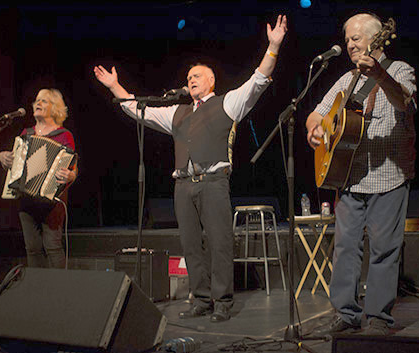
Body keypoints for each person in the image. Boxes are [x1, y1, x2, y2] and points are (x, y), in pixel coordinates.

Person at [94, 15, 288, 322]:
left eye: (197, 75)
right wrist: (115, 85)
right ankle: (201, 300)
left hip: (213, 182)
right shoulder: (177, 112)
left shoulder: (228, 103)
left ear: (211, 81)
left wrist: (273, 46)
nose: (191, 80)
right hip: (183, 185)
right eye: (188, 77)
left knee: (219, 242)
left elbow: (258, 81)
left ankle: (222, 301)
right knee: (190, 245)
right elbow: (138, 109)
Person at [306, 13, 417, 335]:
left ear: (376, 39)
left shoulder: (398, 70)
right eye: (348, 38)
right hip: (349, 177)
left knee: (384, 248)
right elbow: (317, 114)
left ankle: (378, 318)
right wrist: (314, 130)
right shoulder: (346, 80)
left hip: (389, 175)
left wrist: (380, 74)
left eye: (356, 38)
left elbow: (403, 101)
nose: (350, 44)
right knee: (345, 247)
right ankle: (346, 313)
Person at [0, 88, 78, 269]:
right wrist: (2, 157)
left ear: (55, 108)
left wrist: (71, 175)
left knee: (53, 247)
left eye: (44, 100)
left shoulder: (64, 135)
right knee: (32, 248)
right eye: (37, 100)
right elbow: (14, 163)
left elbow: (73, 167)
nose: (38, 103)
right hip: (26, 199)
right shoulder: (25, 134)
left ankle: (60, 293)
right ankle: (39, 291)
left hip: (52, 202)